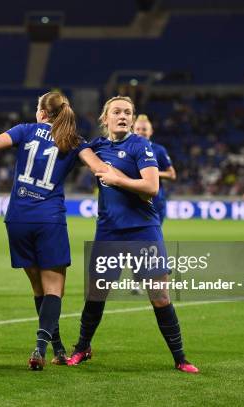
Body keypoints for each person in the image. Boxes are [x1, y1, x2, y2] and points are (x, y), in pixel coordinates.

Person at [0, 91, 116, 370]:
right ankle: (40, 347)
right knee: (54, 289)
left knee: (39, 288)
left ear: (41, 112)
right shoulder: (74, 141)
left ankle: (59, 348)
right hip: (48, 219)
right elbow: (101, 169)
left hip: (17, 219)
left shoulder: (25, 130)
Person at [66, 96, 199, 373]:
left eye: (128, 112)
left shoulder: (141, 145)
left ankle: (180, 357)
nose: (123, 116)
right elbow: (75, 149)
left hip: (143, 230)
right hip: (109, 231)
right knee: (96, 292)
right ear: (106, 118)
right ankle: (82, 347)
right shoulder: (98, 146)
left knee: (159, 295)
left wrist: (117, 179)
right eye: (117, 112)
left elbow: (151, 187)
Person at [133, 114, 176, 225]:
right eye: (137, 129)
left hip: (155, 201)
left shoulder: (159, 150)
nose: (140, 132)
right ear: (132, 130)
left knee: (153, 238)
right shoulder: (127, 149)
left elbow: (172, 175)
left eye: (144, 129)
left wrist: (151, 172)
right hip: (133, 200)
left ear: (151, 131)